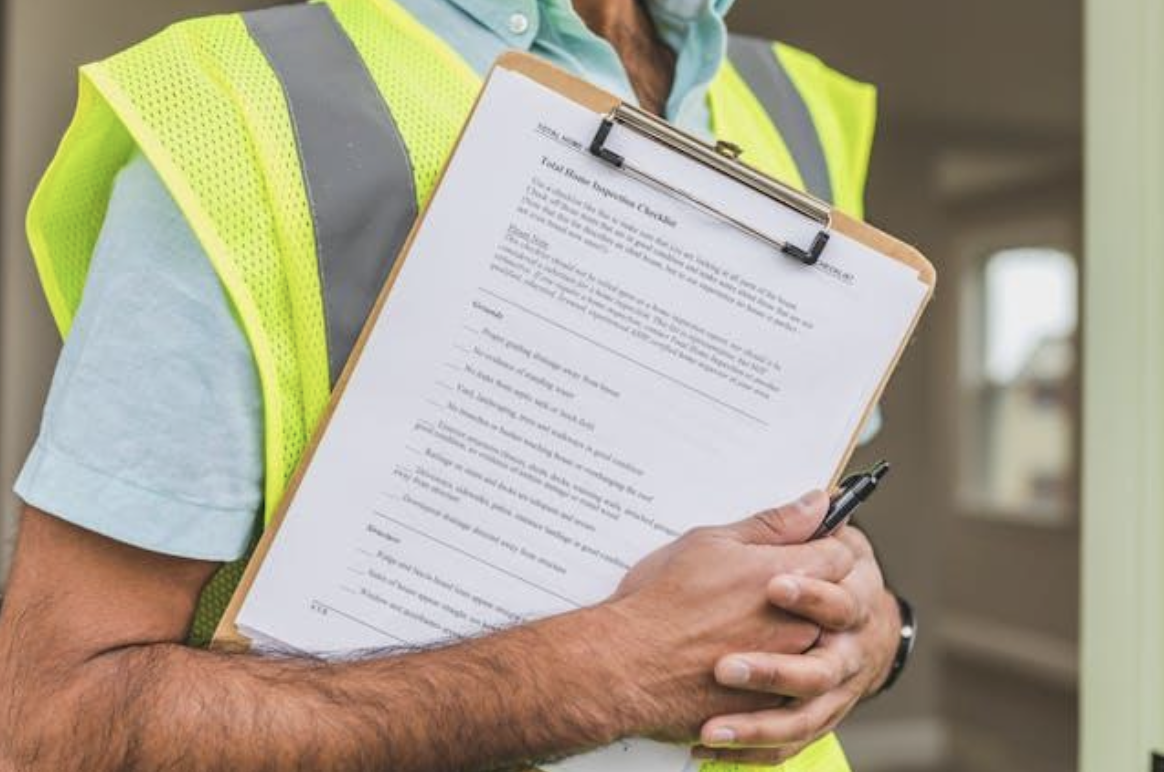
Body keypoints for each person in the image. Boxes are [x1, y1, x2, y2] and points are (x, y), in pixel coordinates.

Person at [0, 0, 912, 769]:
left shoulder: (796, 103)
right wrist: (604, 671)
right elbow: (54, 723)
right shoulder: (238, 109)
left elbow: (794, 513)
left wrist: (873, 639)